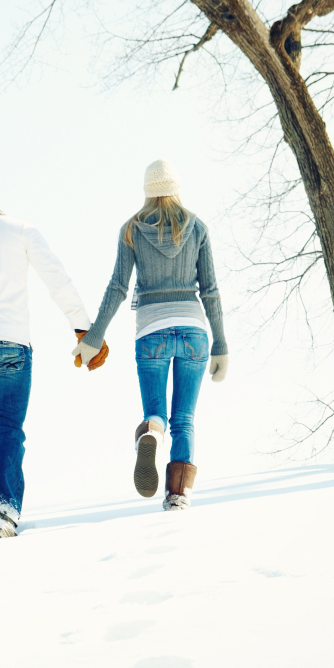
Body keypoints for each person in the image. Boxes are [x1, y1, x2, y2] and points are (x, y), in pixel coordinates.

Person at [0, 167, 108, 538]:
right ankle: (2, 510)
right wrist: (83, 328)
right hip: (10, 343)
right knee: (9, 429)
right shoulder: (21, 230)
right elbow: (56, 278)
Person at [73, 159, 228, 511]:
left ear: (147, 191)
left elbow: (117, 287)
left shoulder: (131, 229)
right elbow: (211, 290)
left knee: (156, 412)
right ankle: (177, 495)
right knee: (184, 418)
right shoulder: (198, 228)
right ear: (176, 189)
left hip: (152, 331)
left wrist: (94, 337)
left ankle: (151, 434)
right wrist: (220, 343)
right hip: (193, 329)